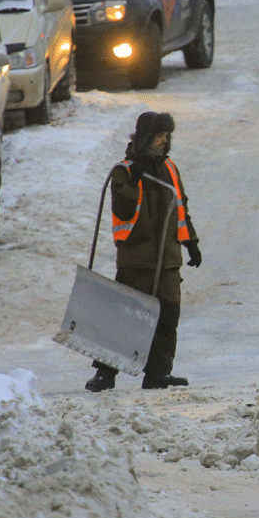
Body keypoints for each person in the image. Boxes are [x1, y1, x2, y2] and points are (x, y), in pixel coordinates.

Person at [86, 111, 202, 392]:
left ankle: (159, 373)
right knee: (124, 317)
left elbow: (180, 209)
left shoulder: (171, 169)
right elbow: (123, 211)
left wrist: (191, 242)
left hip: (168, 260)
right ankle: (106, 373)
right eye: (159, 135)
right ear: (145, 137)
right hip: (137, 258)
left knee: (167, 317)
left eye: (166, 136)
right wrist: (136, 180)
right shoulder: (124, 170)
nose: (164, 141)